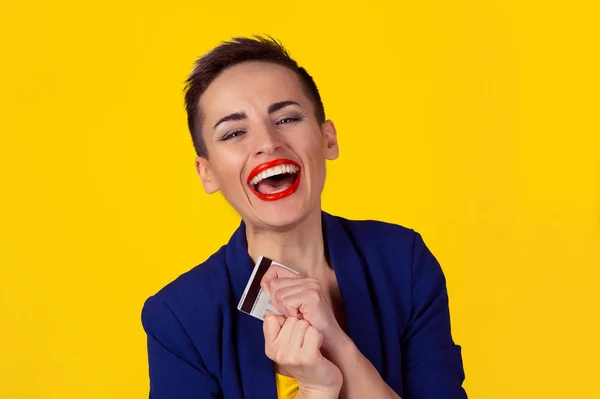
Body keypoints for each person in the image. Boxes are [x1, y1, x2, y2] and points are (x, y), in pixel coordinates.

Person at [141, 36, 467, 399]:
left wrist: (341, 350)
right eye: (234, 133)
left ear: (328, 139)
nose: (267, 142)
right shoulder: (179, 317)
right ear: (208, 173)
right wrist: (316, 390)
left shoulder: (403, 261)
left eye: (286, 118)